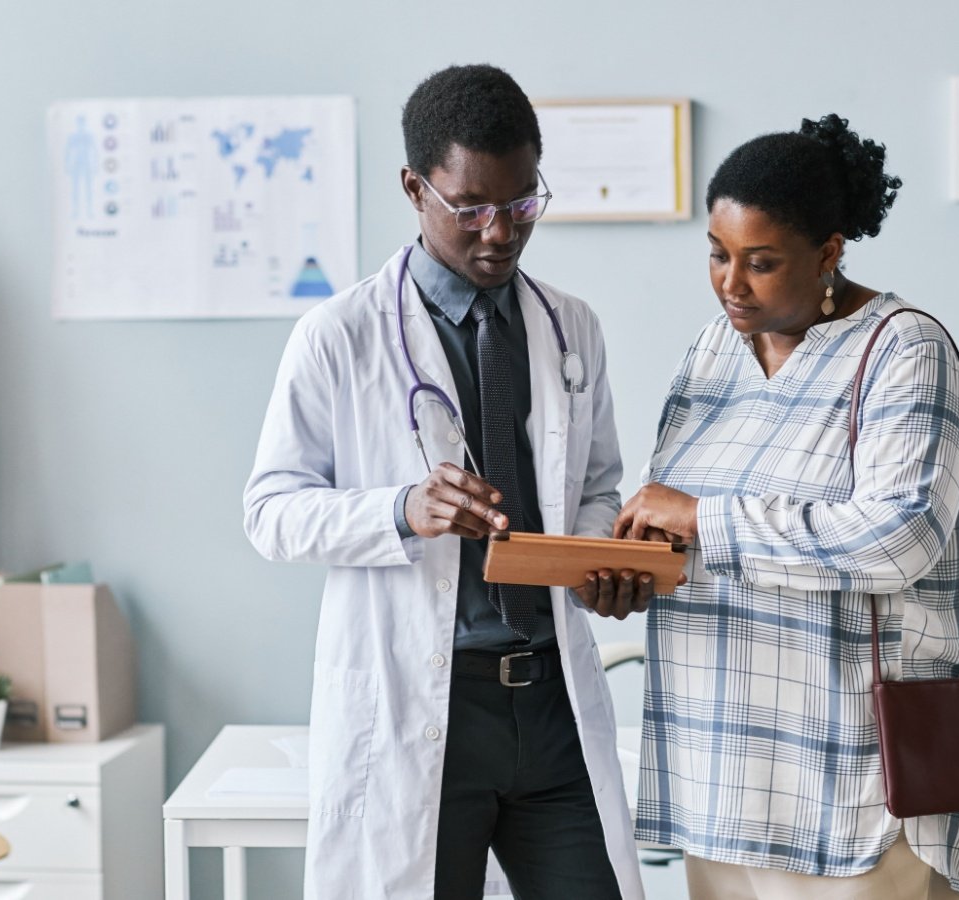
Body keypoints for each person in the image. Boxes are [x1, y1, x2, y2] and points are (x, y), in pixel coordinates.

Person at [243, 64, 647, 900]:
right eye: (471, 210)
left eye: (522, 204)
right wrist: (401, 508)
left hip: (552, 705)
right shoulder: (339, 337)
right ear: (413, 189)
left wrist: (600, 554)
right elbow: (271, 512)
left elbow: (600, 485)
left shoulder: (572, 326)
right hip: (426, 704)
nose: (499, 233)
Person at [610, 114, 959, 898]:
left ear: (828, 252)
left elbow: (898, 538)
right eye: (717, 256)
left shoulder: (904, 351)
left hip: (854, 786)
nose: (730, 283)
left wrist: (700, 518)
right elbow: (686, 529)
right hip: (719, 772)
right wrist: (632, 565)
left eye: (761, 262)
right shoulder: (711, 350)